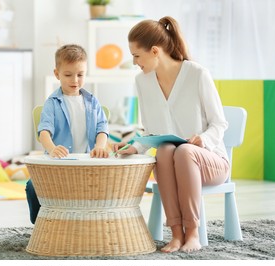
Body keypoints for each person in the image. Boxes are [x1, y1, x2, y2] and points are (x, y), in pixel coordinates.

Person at [114, 16, 230, 253]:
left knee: (185, 151)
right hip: (175, 162)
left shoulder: (197, 74)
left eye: (137, 55)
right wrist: (134, 147)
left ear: (155, 51)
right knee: (166, 150)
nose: (135, 62)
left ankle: (193, 233)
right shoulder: (142, 81)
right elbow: (149, 131)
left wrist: (203, 140)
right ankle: (176, 234)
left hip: (211, 162)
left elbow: (219, 123)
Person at [25, 44, 109, 224]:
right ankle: (40, 223)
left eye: (80, 75)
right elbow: (44, 132)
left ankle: (93, 221)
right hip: (58, 165)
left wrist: (100, 147)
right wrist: (52, 149)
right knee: (32, 187)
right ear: (57, 74)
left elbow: (102, 128)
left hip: (87, 164)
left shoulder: (92, 101)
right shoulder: (52, 103)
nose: (75, 80)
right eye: (68, 75)